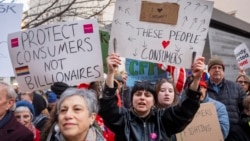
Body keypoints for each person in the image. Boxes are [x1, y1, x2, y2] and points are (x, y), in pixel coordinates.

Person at [99, 53, 204, 141]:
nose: (142, 98)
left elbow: (186, 110)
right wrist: (111, 73)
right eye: (138, 94)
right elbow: (108, 106)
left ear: (154, 101)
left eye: (147, 95)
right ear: (131, 100)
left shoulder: (163, 120)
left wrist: (196, 79)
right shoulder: (123, 120)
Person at [206, 57, 246, 140]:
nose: (217, 70)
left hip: (234, 134)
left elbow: (245, 107)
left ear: (223, 71)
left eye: (219, 67)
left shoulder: (236, 87)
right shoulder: (201, 88)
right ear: (209, 71)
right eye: (214, 67)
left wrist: (241, 124)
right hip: (209, 133)